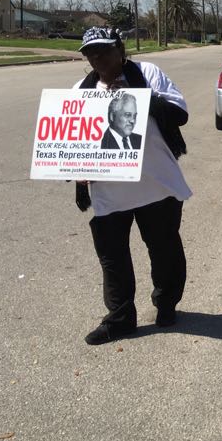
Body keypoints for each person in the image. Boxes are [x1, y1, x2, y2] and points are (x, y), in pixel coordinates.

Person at [73, 27, 191, 345]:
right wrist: (76, 172)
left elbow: (179, 114)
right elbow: (72, 141)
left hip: (156, 184)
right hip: (109, 192)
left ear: (120, 49)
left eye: (103, 50)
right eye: (89, 53)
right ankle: (120, 319)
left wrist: (140, 98)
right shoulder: (82, 89)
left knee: (164, 249)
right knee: (112, 257)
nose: (96, 57)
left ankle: (166, 304)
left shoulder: (147, 73)